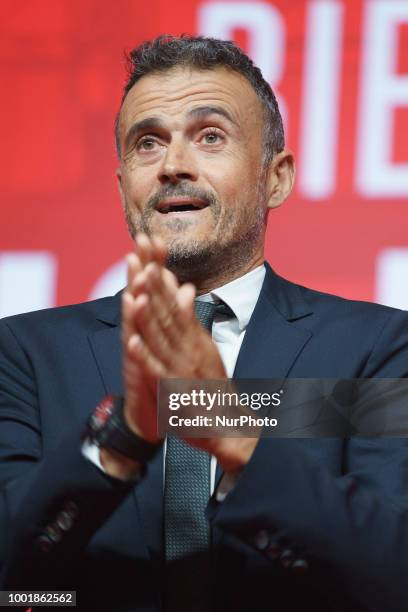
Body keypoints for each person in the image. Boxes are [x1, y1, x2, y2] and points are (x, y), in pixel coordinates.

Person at [1, 35, 408, 612]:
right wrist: (120, 440)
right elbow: (15, 585)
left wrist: (222, 419)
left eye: (210, 136)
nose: (173, 165)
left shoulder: (377, 348)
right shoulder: (24, 353)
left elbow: (392, 578)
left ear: (277, 178)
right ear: (122, 188)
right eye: (148, 143)